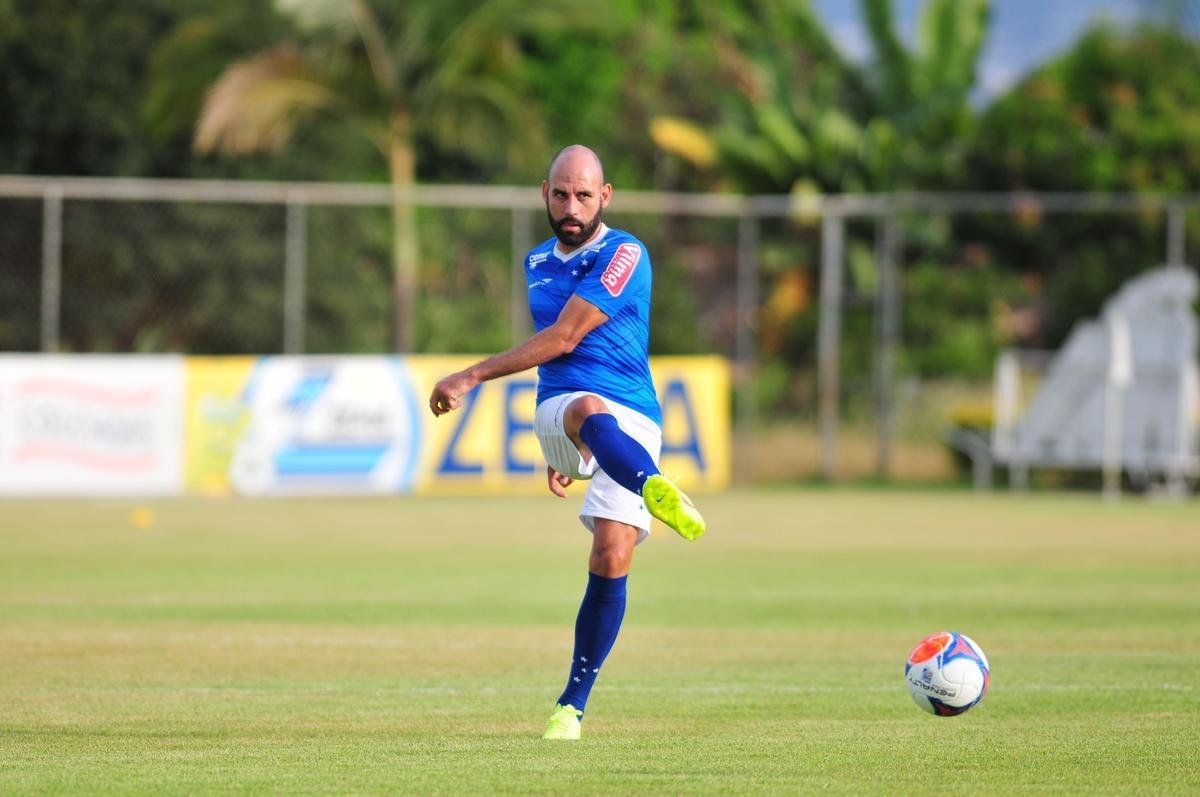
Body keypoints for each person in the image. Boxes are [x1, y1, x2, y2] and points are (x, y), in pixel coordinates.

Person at [428, 144, 706, 740]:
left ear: (605, 197)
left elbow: (565, 335)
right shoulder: (535, 261)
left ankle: (571, 707)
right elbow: (558, 354)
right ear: (544, 194)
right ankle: (653, 483)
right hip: (565, 410)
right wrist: (566, 440)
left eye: (584, 194)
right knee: (586, 406)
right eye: (561, 194)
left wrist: (472, 374)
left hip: (632, 422)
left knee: (612, 555)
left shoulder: (626, 253)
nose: (571, 205)